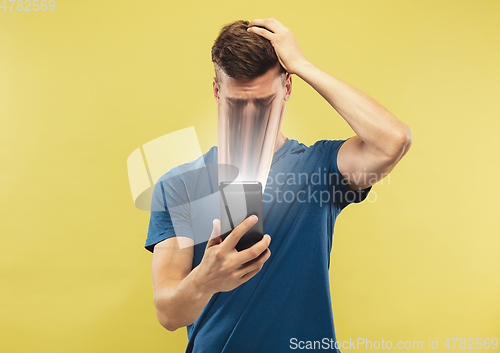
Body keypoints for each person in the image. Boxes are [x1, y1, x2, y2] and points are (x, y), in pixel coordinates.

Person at [145, 18, 412, 352]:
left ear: (287, 88)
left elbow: (393, 140)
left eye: (263, 102)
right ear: (217, 91)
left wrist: (301, 65)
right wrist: (205, 280)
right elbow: (168, 313)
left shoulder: (321, 168)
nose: (250, 118)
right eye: (237, 103)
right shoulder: (181, 185)